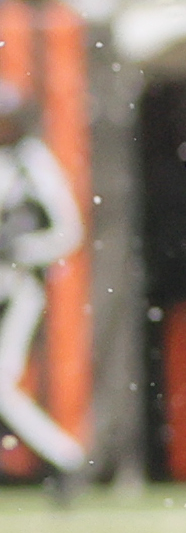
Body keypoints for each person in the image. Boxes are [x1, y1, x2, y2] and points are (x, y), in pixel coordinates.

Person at [0, 77, 87, 484]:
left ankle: (65, 458)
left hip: (16, 289)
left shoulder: (30, 162)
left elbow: (69, 230)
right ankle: (65, 458)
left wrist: (22, 248)